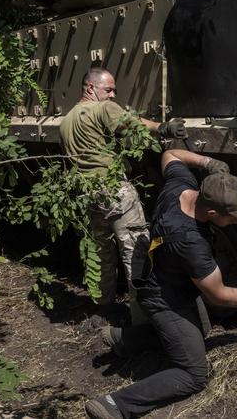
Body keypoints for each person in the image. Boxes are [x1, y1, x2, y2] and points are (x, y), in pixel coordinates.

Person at [83, 149, 237, 419]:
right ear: (213, 210)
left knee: (202, 329)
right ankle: (116, 404)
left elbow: (171, 154)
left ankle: (124, 339)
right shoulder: (190, 242)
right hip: (163, 297)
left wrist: (209, 162)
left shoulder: (180, 188)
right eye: (234, 216)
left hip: (165, 277)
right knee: (194, 373)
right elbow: (220, 295)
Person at [59, 67, 186, 304]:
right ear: (90, 88)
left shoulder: (66, 122)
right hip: (115, 192)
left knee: (100, 255)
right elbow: (131, 123)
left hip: (87, 195)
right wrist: (162, 127)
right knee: (136, 252)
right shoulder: (103, 108)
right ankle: (145, 315)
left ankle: (103, 307)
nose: (112, 95)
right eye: (108, 89)